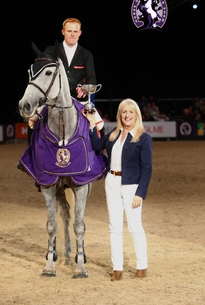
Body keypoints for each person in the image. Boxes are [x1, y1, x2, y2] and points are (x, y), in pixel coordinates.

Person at [83, 98, 153, 281]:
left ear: (136, 115)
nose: (127, 115)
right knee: (114, 227)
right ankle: (117, 268)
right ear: (120, 115)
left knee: (134, 227)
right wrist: (91, 124)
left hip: (132, 187)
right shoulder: (114, 134)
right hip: (111, 183)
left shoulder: (143, 138)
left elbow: (147, 168)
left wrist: (140, 193)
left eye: (131, 112)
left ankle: (141, 266)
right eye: (124, 112)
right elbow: (96, 146)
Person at [26, 17, 104, 143]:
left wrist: (84, 88)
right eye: (69, 31)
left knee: (101, 126)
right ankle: (29, 156)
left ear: (80, 33)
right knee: (32, 121)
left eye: (75, 31)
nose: (72, 34)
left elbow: (92, 78)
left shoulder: (86, 54)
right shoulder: (51, 51)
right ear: (63, 32)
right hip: (53, 99)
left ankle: (99, 158)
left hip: (78, 99)